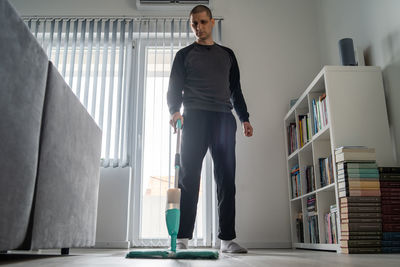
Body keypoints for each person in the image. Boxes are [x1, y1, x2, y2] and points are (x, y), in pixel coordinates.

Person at [167, 4, 253, 254]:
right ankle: (183, 237)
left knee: (227, 178)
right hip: (193, 118)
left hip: (223, 119)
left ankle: (226, 239)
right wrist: (174, 110)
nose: (199, 27)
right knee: (188, 177)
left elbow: (235, 90)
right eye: (194, 23)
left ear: (212, 22)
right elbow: (174, 87)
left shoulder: (227, 54)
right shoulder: (184, 55)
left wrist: (244, 117)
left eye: (203, 22)